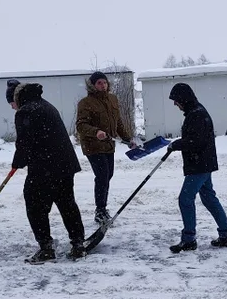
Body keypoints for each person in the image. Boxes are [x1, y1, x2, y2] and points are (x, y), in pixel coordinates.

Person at [9, 82, 86, 262]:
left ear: (19, 97)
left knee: (35, 205)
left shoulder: (25, 111)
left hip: (44, 167)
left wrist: (17, 162)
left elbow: (24, 142)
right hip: (65, 165)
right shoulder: (47, 105)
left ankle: (46, 248)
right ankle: (78, 243)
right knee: (66, 203)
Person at [167, 83, 227, 253]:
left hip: (199, 164)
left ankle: (189, 239)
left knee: (185, 199)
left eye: (176, 100)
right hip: (204, 162)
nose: (175, 104)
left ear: (183, 98)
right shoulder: (195, 111)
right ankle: (226, 234)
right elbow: (196, 139)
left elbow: (196, 142)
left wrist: (177, 144)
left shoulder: (196, 115)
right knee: (209, 198)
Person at [76, 70, 137, 224]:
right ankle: (100, 210)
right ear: (93, 86)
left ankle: (102, 208)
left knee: (108, 175)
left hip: (109, 144)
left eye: (104, 82)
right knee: (102, 175)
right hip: (93, 145)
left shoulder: (112, 99)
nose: (103, 85)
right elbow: (81, 125)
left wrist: (128, 139)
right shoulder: (85, 103)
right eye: (99, 83)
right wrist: (96, 132)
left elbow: (118, 122)